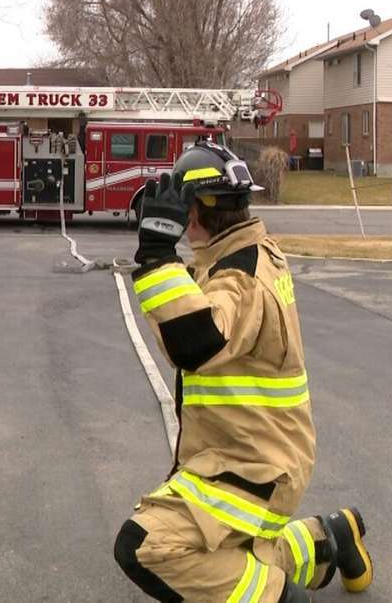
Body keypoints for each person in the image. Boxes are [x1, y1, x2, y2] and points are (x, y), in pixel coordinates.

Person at [114, 141, 373, 603]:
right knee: (229, 548)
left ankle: (278, 597)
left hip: (253, 462)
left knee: (147, 546)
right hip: (255, 453)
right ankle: (328, 538)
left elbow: (194, 343)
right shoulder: (249, 250)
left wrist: (156, 255)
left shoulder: (240, 275)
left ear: (191, 212)